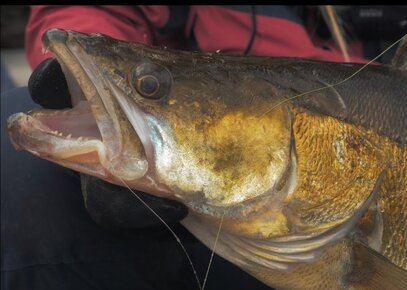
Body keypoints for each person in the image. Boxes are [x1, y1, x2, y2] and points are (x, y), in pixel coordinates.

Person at [2, 5, 368, 290]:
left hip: (316, 206)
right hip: (204, 221)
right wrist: (90, 71)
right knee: (21, 179)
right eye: (149, 86)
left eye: (149, 87)